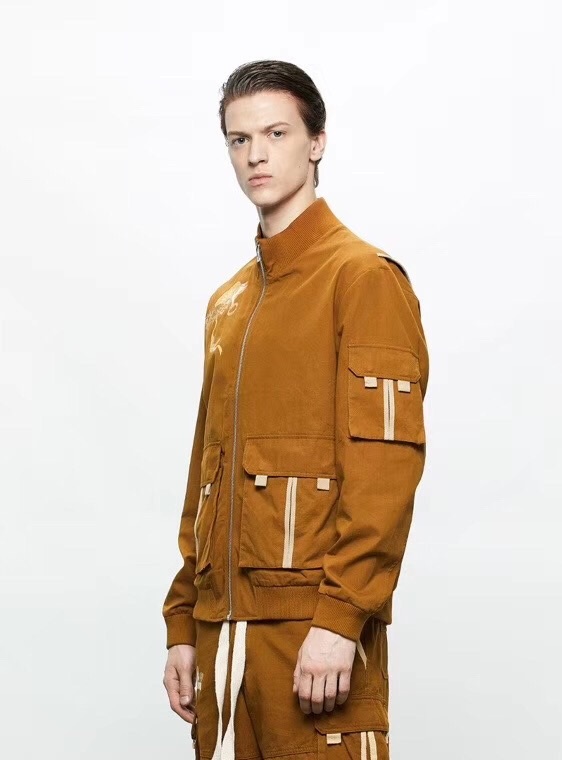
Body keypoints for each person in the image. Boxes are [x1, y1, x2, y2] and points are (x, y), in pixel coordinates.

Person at [162, 59, 429, 760]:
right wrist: (183, 622)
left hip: (312, 637)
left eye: (276, 133)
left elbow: (385, 474)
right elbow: (206, 474)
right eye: (239, 139)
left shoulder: (364, 279)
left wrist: (341, 618)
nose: (256, 154)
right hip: (222, 644)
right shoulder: (229, 302)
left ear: (317, 142)